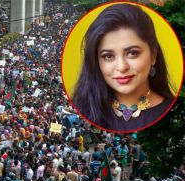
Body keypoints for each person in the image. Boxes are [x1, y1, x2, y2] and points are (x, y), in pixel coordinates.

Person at [72, 3, 174, 131]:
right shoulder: (84, 109)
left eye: (132, 53)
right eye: (108, 56)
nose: (121, 67)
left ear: (153, 55)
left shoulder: (173, 113)